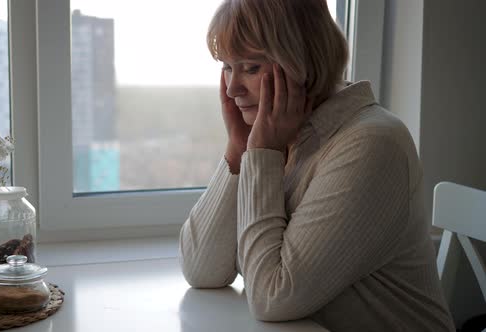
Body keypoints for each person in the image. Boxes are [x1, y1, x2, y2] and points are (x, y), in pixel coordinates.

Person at [178, 0, 456, 331]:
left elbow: (273, 297)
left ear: (302, 60)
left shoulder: (372, 144)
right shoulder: (286, 134)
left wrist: (263, 153)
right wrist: (239, 150)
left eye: (250, 67)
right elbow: (201, 269)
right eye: (227, 67)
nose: (232, 88)